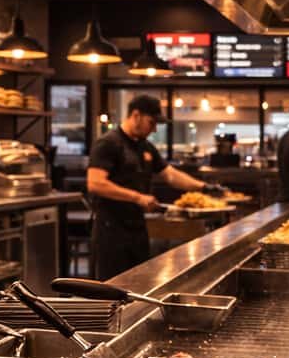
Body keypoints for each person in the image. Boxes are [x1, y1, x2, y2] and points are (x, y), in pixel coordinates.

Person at [86, 94, 221, 279]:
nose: (154, 128)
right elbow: (95, 183)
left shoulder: (145, 147)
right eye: (152, 122)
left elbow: (170, 175)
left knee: (138, 284)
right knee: (112, 288)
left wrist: (204, 187)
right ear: (136, 115)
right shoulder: (108, 143)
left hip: (137, 227)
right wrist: (137, 197)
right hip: (110, 230)